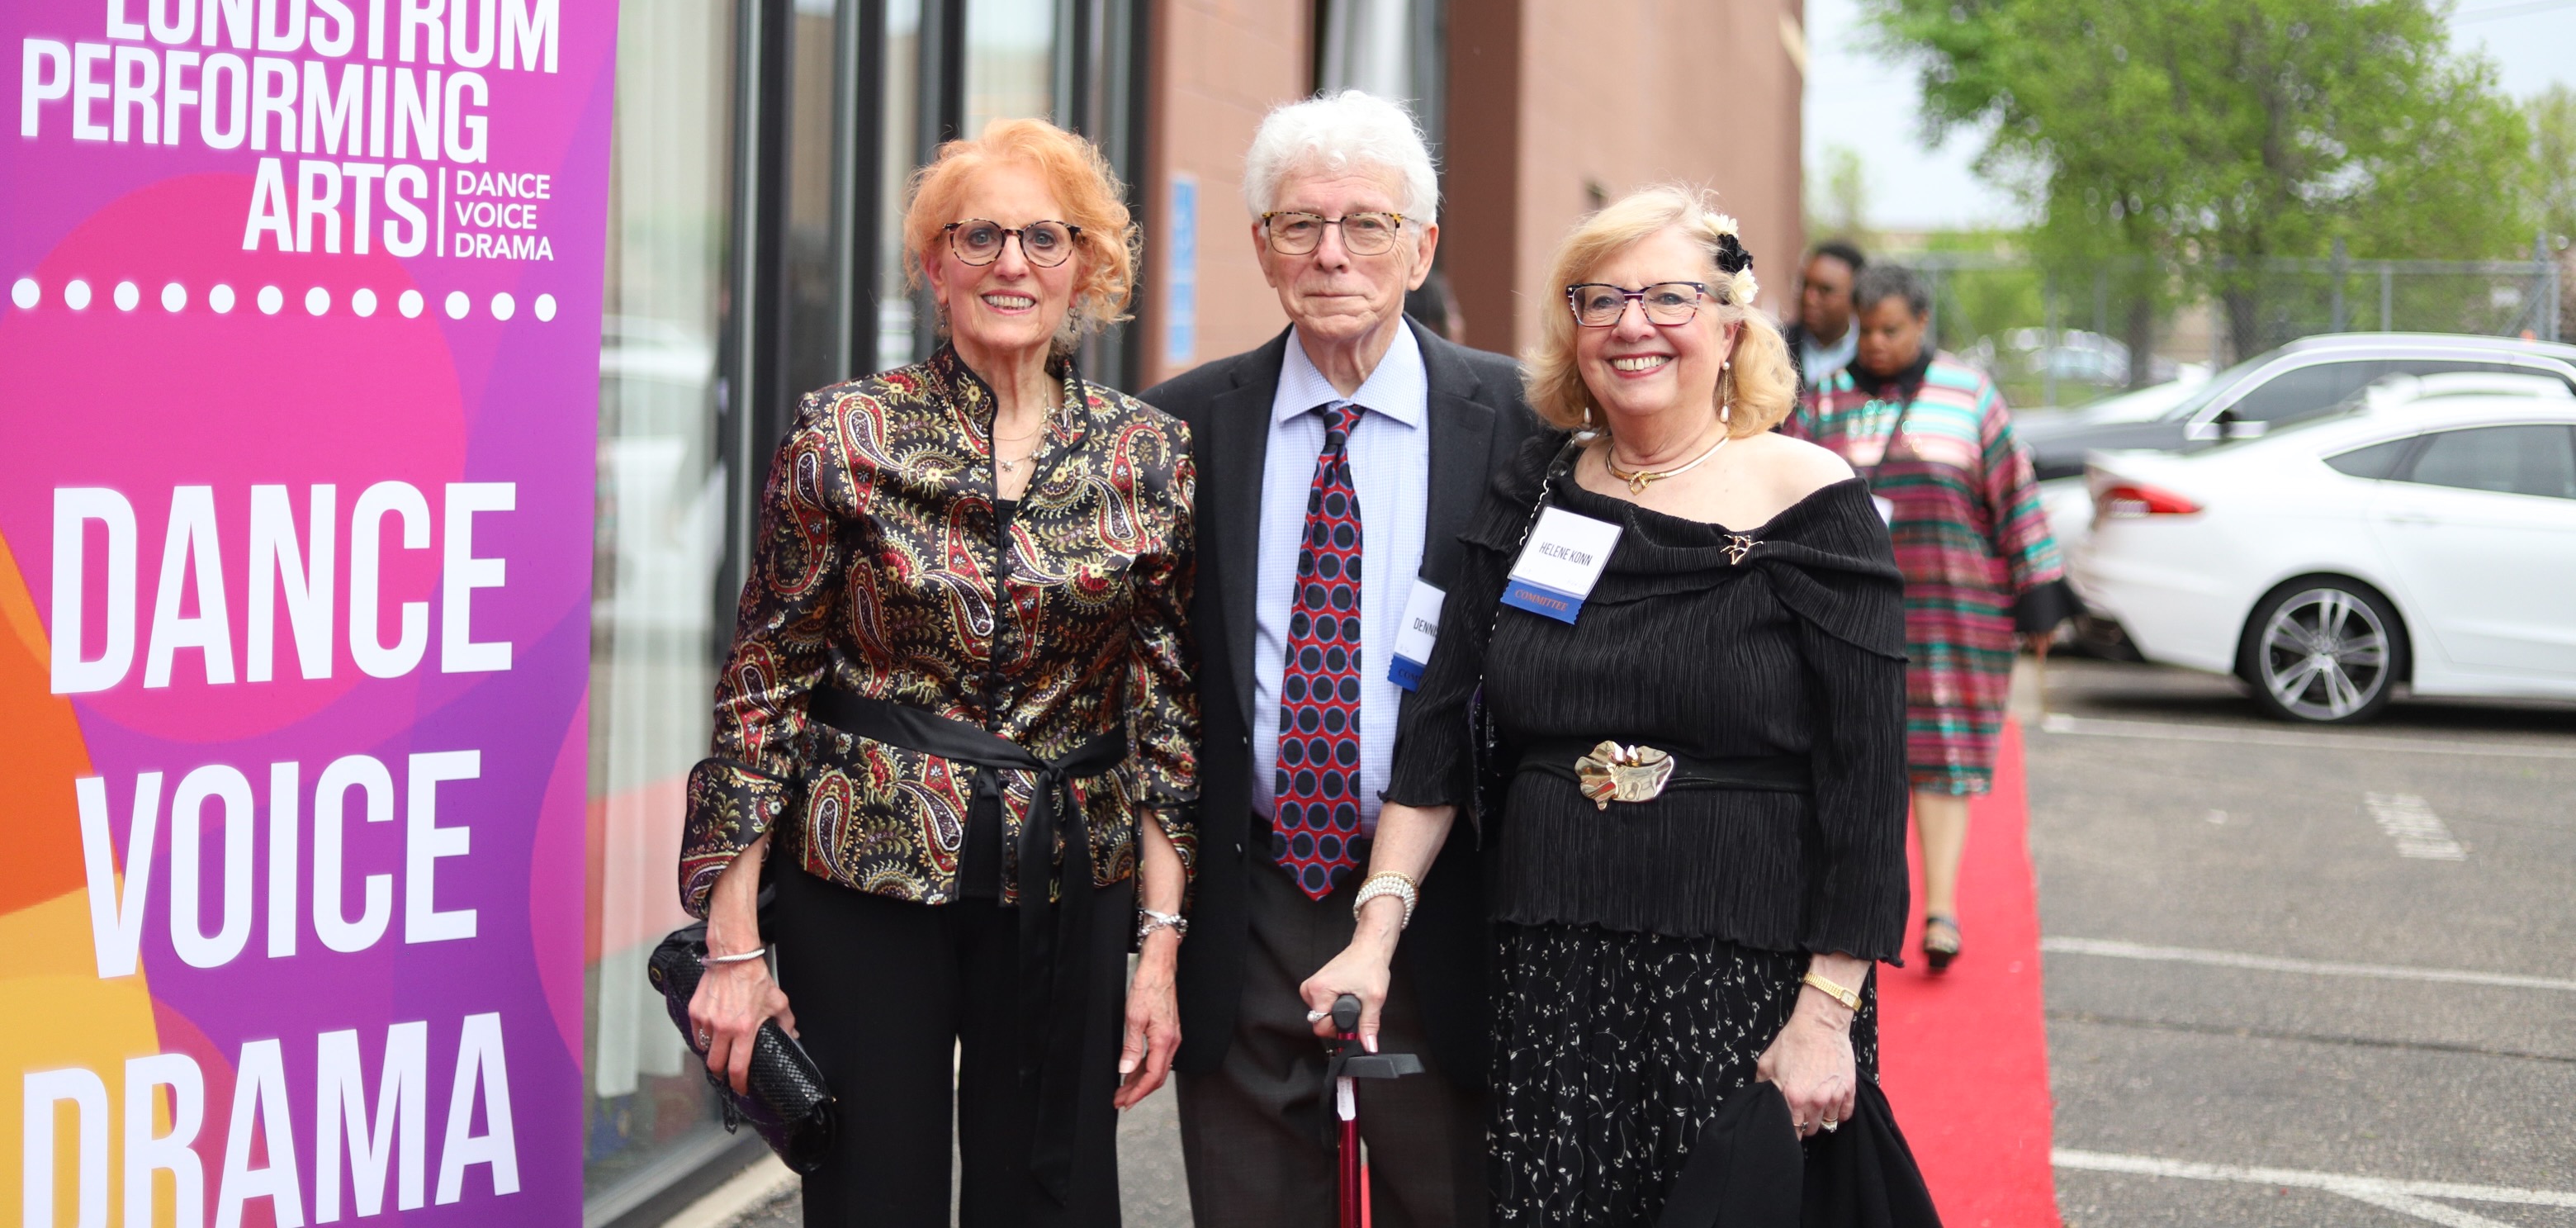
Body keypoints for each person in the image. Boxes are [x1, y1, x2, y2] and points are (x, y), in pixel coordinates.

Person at [1305, 186, 1914, 1226]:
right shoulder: (1531, 491)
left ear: (1730, 328)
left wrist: (1827, 1009)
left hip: (1744, 971)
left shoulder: (1812, 499)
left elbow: (1866, 783)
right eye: (1599, 299)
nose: (1632, 325)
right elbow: (1440, 726)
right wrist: (1377, 926)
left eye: (1668, 297)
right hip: (1553, 971)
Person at [679, 119, 1199, 1227]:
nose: (1012, 263)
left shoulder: (1151, 454)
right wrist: (731, 947)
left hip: (1072, 879)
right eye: (980, 236)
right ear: (934, 265)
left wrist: (1158, 952)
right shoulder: (845, 434)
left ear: (1088, 269)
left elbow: (1164, 714)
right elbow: (763, 684)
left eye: (1045, 238)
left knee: (1050, 1200)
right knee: (872, 1195)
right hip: (864, 880)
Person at [1144, 92, 1544, 1228]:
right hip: (1251, 888)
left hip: (1452, 894)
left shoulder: (1524, 425)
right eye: (1299, 224)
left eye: (1367, 224)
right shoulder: (1179, 430)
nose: (1332, 253)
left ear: (1420, 247)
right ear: (1262, 246)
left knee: (1454, 1198)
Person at [1802, 262, 2073, 970]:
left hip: (1956, 612)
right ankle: (1862, 907)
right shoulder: (1822, 401)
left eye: (1892, 329)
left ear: (1922, 324)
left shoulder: (1970, 394)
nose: (1878, 343)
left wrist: (2038, 585)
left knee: (1942, 752)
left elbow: (2015, 491)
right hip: (1849, 609)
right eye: (1867, 330)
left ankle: (1941, 910)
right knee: (1856, 752)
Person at [1783, 240, 1867, 398]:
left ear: (1855, 298)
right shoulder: (1775, 347)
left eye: (1825, 290)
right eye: (1805, 285)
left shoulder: (1871, 355)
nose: (1809, 298)